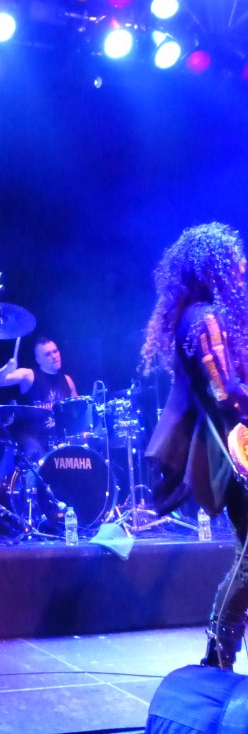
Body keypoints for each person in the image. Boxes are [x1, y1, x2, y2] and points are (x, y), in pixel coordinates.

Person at [142, 222, 248, 671]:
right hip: (235, 448)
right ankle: (217, 657)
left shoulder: (195, 315)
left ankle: (217, 657)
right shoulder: (204, 319)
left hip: (229, 445)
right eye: (233, 260)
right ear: (213, 267)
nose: (242, 266)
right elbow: (227, 393)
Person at [0, 336, 77, 453]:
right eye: (48, 354)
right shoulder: (29, 376)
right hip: (34, 445)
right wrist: (7, 368)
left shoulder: (68, 380)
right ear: (38, 360)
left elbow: (78, 414)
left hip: (63, 443)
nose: (54, 356)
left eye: (55, 351)